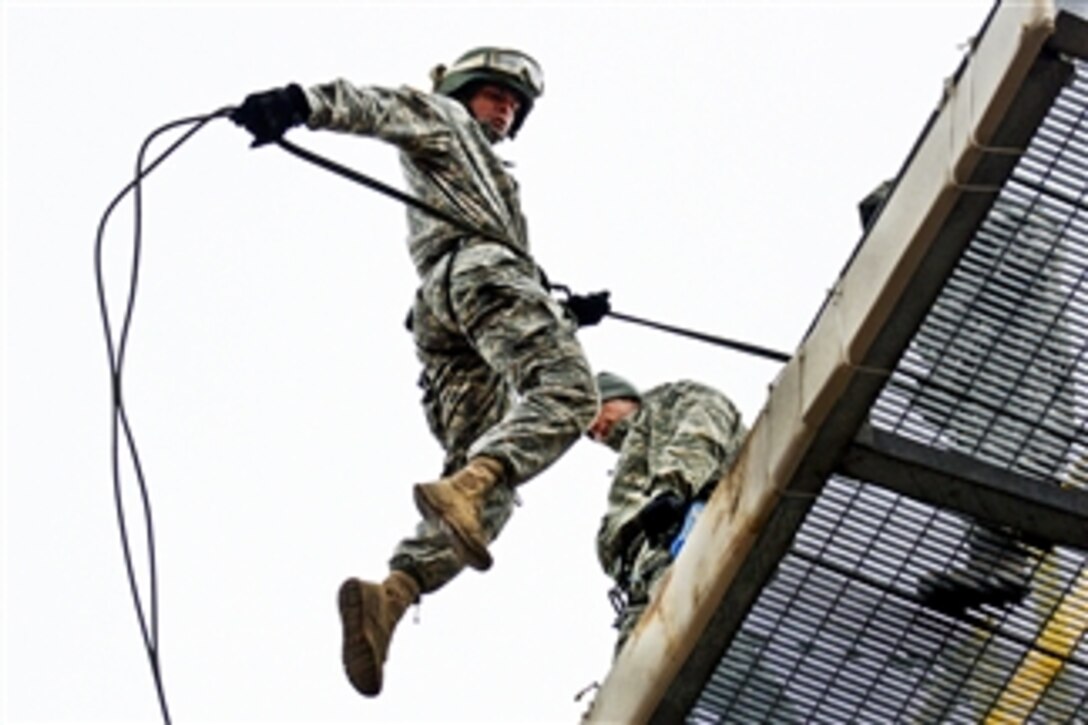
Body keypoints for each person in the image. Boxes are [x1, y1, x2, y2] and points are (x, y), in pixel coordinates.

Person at [230, 48, 606, 697]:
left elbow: (504, 320)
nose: (507, 108)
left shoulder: (487, 173)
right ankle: (472, 481)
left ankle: (393, 594)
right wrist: (298, 103)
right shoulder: (443, 118)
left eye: (516, 104)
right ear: (464, 91)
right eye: (496, 94)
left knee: (485, 491)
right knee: (572, 394)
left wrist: (564, 313)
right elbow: (383, 107)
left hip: (446, 310)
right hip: (478, 273)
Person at [589, 371, 748, 654]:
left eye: (593, 415)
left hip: (690, 534)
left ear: (616, 395)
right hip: (643, 580)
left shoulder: (671, 401)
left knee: (693, 632)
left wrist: (672, 489)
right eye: (589, 434)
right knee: (636, 676)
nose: (597, 432)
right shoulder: (634, 459)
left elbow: (703, 426)